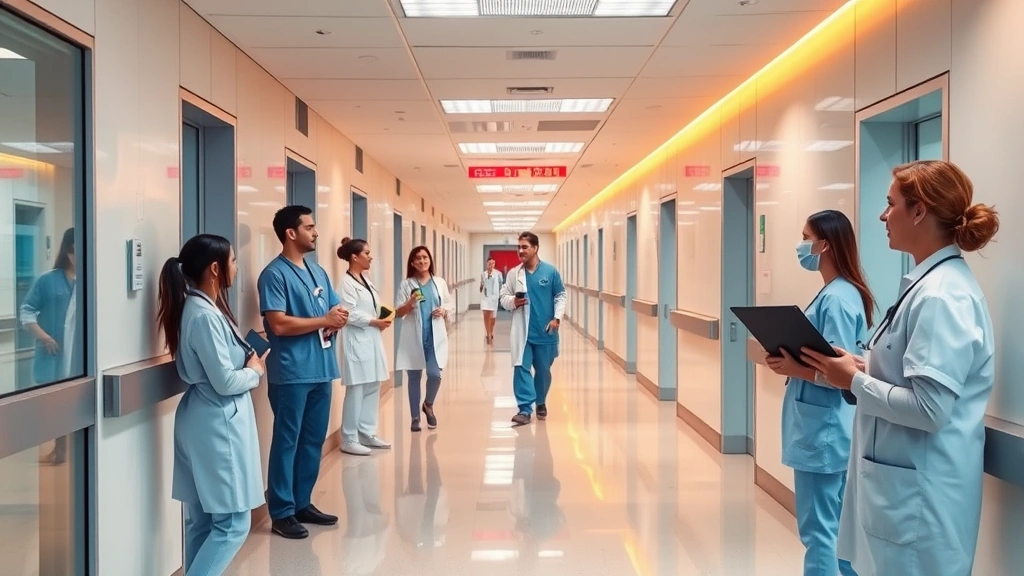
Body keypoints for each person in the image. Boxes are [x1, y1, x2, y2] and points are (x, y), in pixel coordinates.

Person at [801, 160, 999, 576]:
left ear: (919, 210)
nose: (883, 215)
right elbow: (906, 377)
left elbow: (930, 409)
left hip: (921, 505)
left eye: (891, 204)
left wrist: (853, 379)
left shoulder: (943, 297)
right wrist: (853, 365)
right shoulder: (925, 285)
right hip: (902, 496)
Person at [766, 210, 873, 576]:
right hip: (828, 426)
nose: (801, 245)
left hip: (823, 431)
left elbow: (841, 373)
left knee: (820, 532)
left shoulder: (838, 298)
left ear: (824, 244)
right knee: (839, 531)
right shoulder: (836, 292)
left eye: (805, 236)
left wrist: (794, 368)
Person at [157, 234, 267, 575]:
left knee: (202, 522)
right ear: (216, 268)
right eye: (234, 261)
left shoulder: (201, 307)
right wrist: (254, 372)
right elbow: (224, 382)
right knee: (233, 524)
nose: (237, 266)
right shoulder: (203, 315)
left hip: (202, 419)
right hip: (215, 423)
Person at [258, 205, 347, 539]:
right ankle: (281, 511)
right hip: (292, 372)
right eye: (310, 227)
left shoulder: (318, 272)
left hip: (321, 369)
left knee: (312, 440)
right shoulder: (274, 274)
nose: (316, 232)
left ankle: (301, 503)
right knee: (286, 441)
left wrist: (337, 318)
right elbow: (278, 324)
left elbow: (334, 307)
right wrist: (324, 321)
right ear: (291, 233)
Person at [20, 227, 79, 465]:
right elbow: (26, 312)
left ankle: (72, 450)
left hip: (79, 355)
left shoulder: (93, 282)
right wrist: (43, 337)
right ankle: (59, 448)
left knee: (74, 403)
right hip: (53, 354)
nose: (77, 256)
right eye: (73, 250)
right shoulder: (48, 280)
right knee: (54, 405)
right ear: (66, 251)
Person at [499, 232, 566, 426]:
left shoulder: (550, 272)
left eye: (524, 247)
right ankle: (525, 409)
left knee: (543, 370)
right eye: (518, 247)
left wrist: (557, 318)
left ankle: (541, 401)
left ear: (535, 248)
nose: (520, 251)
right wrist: (514, 301)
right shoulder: (514, 274)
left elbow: (561, 295)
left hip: (545, 331)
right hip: (523, 332)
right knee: (521, 367)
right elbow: (503, 297)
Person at [337, 237, 392, 455]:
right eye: (366, 253)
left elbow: (371, 305)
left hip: (371, 338)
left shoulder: (365, 279)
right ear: (354, 257)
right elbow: (347, 312)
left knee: (372, 385)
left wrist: (381, 316)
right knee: (357, 389)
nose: (370, 257)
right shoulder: (346, 283)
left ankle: (366, 432)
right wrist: (373, 321)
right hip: (357, 340)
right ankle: (349, 438)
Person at [395, 246, 454, 432]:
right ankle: (414, 418)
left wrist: (444, 310)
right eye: (418, 258)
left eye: (425, 257)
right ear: (412, 262)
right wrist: (410, 302)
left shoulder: (439, 282)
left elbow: (449, 303)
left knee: (435, 374)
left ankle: (428, 404)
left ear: (430, 260)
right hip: (414, 336)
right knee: (414, 376)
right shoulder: (406, 284)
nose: (422, 261)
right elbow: (398, 312)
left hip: (435, 336)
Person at [479, 257, 503, 344]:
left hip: (494, 297)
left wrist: (500, 295)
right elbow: (482, 284)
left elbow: (501, 284)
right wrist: (481, 288)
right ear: (487, 264)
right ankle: (488, 334)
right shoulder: (483, 274)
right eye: (489, 263)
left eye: (493, 263)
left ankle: (491, 331)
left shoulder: (498, 274)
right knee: (486, 315)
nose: (491, 265)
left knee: (492, 317)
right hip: (485, 297)